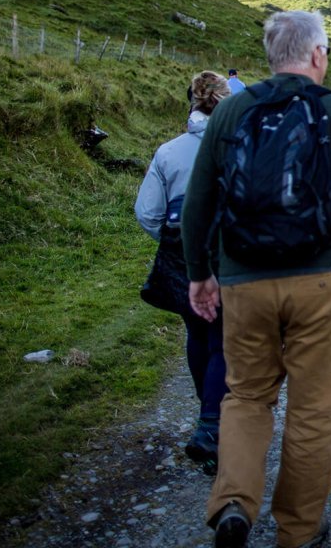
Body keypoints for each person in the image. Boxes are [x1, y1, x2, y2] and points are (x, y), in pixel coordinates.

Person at [182, 10, 331, 548]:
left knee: (247, 396)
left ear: (272, 56)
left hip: (243, 282)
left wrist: (200, 274)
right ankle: (297, 532)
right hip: (322, 281)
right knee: (314, 408)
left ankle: (233, 504)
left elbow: (199, 203)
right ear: (318, 55)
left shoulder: (231, 111)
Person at [134, 70, 231, 473]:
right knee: (226, 339)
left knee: (197, 332)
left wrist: (174, 239)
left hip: (182, 255)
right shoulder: (240, 147)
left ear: (190, 102)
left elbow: (147, 213)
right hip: (228, 253)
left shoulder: (168, 151)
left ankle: (208, 412)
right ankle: (210, 424)